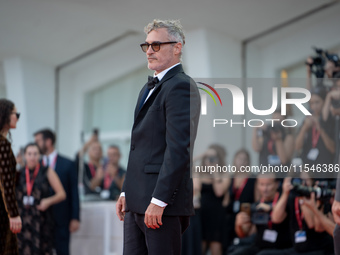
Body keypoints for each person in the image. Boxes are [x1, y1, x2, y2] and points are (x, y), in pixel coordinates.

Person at [115, 19, 200, 255]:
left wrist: (160, 200)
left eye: (156, 45)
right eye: (147, 46)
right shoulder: (147, 88)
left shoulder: (182, 86)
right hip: (136, 201)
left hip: (160, 205)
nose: (149, 51)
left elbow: (178, 149)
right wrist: (125, 191)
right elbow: (138, 147)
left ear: (177, 47)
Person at [34, 129, 80, 255]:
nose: (35, 144)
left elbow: (74, 192)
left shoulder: (68, 164)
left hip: (62, 217)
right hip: (41, 218)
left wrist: (75, 217)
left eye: (38, 141)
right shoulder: (36, 164)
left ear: (48, 142)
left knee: (62, 250)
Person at [16, 143, 66, 254]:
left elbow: (62, 194)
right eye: (29, 154)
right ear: (25, 155)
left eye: (35, 154)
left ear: (40, 155)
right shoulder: (19, 173)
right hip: (23, 222)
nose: (32, 157)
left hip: (41, 221)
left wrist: (48, 201)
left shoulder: (47, 171)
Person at [271, 174, 334, 255]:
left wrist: (304, 197)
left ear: (312, 182)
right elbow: (275, 218)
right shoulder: (292, 197)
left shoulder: (320, 197)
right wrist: (285, 193)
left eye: (305, 181)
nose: (301, 184)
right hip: (297, 250)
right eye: (299, 181)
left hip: (318, 249)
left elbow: (312, 224)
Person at [231, 172, 291, 255]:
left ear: (277, 184)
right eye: (261, 184)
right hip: (259, 246)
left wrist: (270, 208)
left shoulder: (284, 201)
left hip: (281, 247)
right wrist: (239, 225)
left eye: (268, 185)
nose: (264, 189)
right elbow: (245, 234)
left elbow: (277, 218)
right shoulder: (256, 205)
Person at [196, 144, 230, 255]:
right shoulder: (199, 173)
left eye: (213, 157)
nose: (209, 160)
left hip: (216, 216)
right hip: (201, 215)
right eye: (208, 157)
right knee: (199, 249)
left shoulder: (224, 174)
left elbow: (219, 192)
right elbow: (185, 164)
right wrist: (201, 155)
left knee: (216, 249)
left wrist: (215, 171)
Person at [0, 98, 21, 255]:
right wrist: (13, 214)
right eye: (15, 113)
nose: (17, 117)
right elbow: (6, 182)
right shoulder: (3, 145)